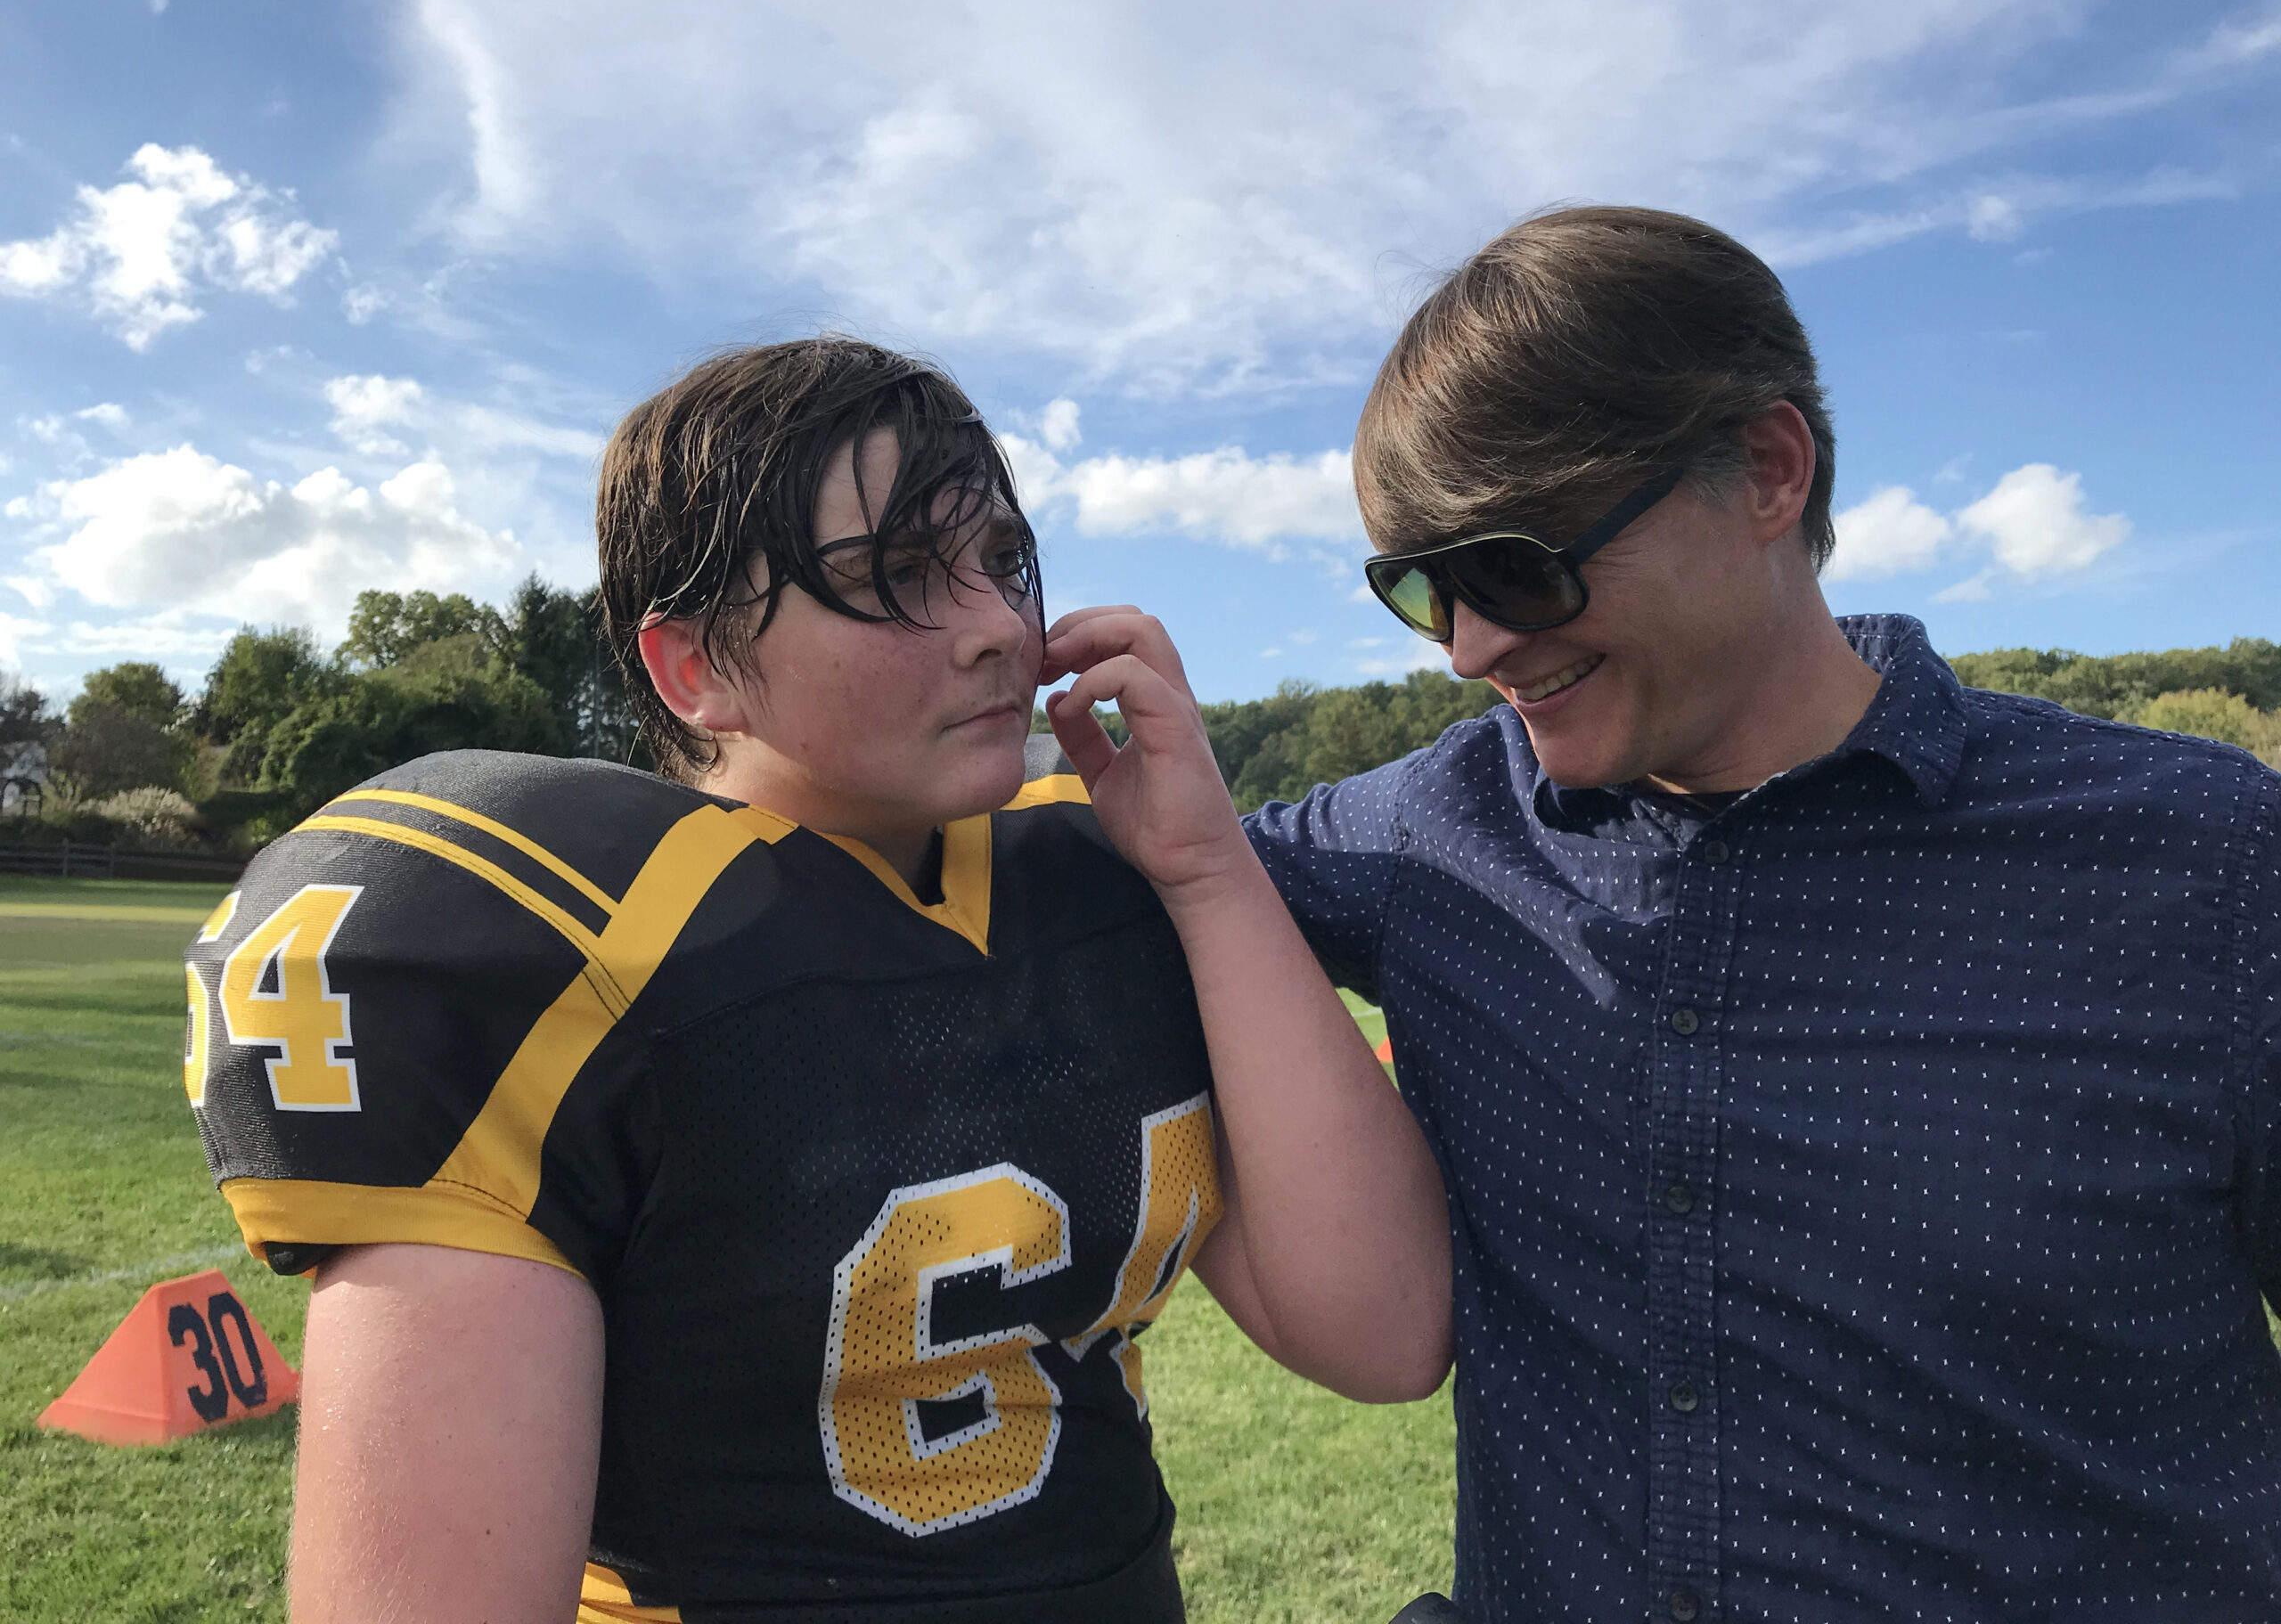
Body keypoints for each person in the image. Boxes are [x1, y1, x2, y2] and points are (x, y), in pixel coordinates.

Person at [184, 339, 1448, 1624]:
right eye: (900, 577)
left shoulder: (1100, 875)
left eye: (1003, 563)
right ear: (698, 668)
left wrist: (1212, 875)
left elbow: (1384, 1331)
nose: (1000, 629)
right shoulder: (570, 938)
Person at [1242, 205, 2281, 1623]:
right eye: (1421, 591)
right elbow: (1104, 892)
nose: (1474, 648)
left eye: (1516, 564)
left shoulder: (2206, 865)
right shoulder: (1427, 836)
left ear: (1768, 470)